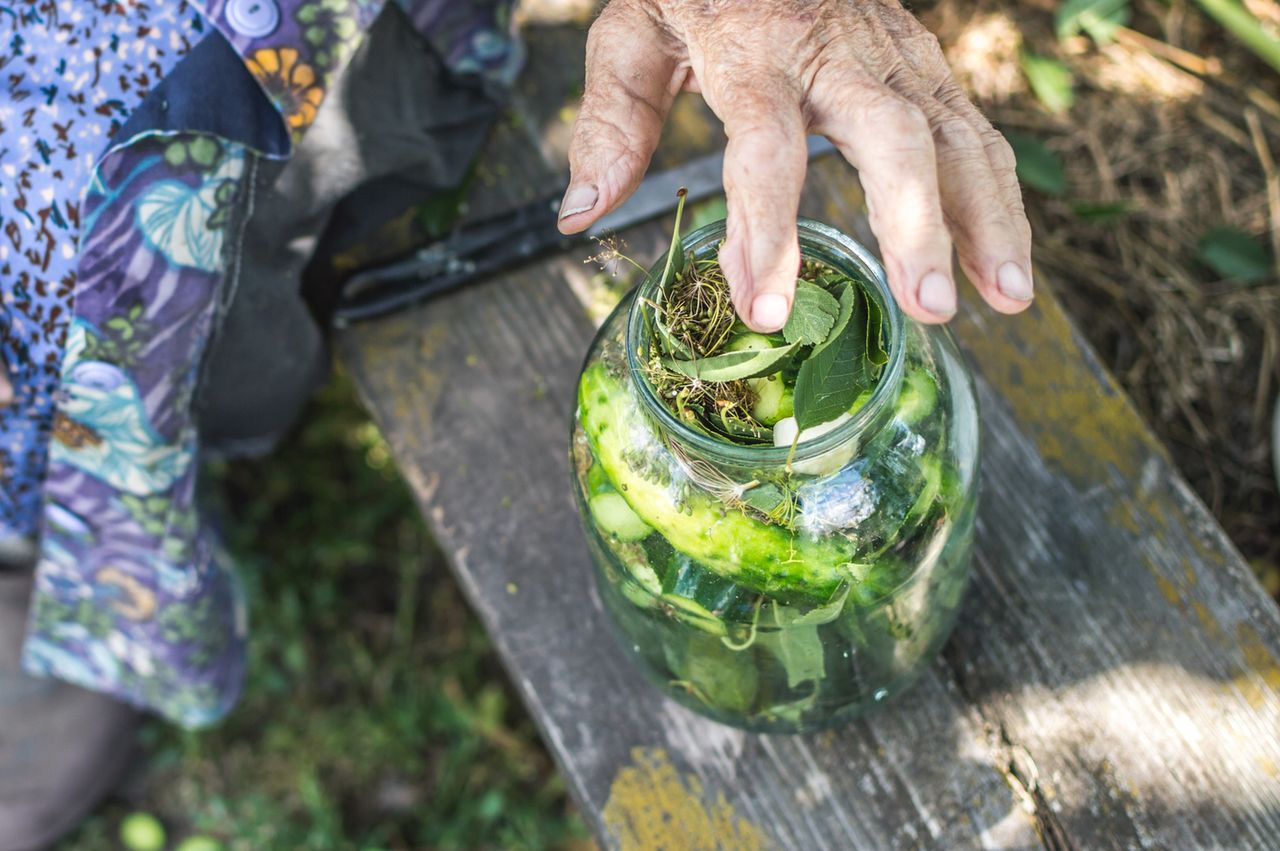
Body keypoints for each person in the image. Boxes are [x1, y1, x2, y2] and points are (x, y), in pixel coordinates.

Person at [0, 0, 1032, 847]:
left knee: (64, 233)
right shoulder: (627, 422)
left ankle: (71, 556)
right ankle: (43, 549)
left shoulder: (892, 438)